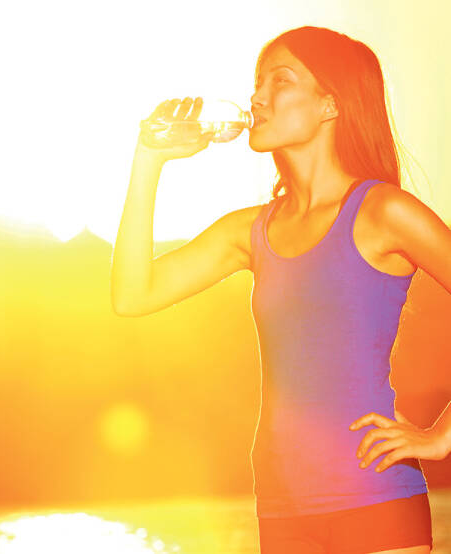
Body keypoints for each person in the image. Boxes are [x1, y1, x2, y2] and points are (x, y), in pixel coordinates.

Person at [110, 25, 451, 553]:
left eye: (280, 81)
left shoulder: (384, 212)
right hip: (280, 505)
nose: (257, 96)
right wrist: (148, 159)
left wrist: (440, 435)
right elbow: (133, 296)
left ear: (329, 105)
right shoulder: (249, 232)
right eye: (257, 82)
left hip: (376, 496)